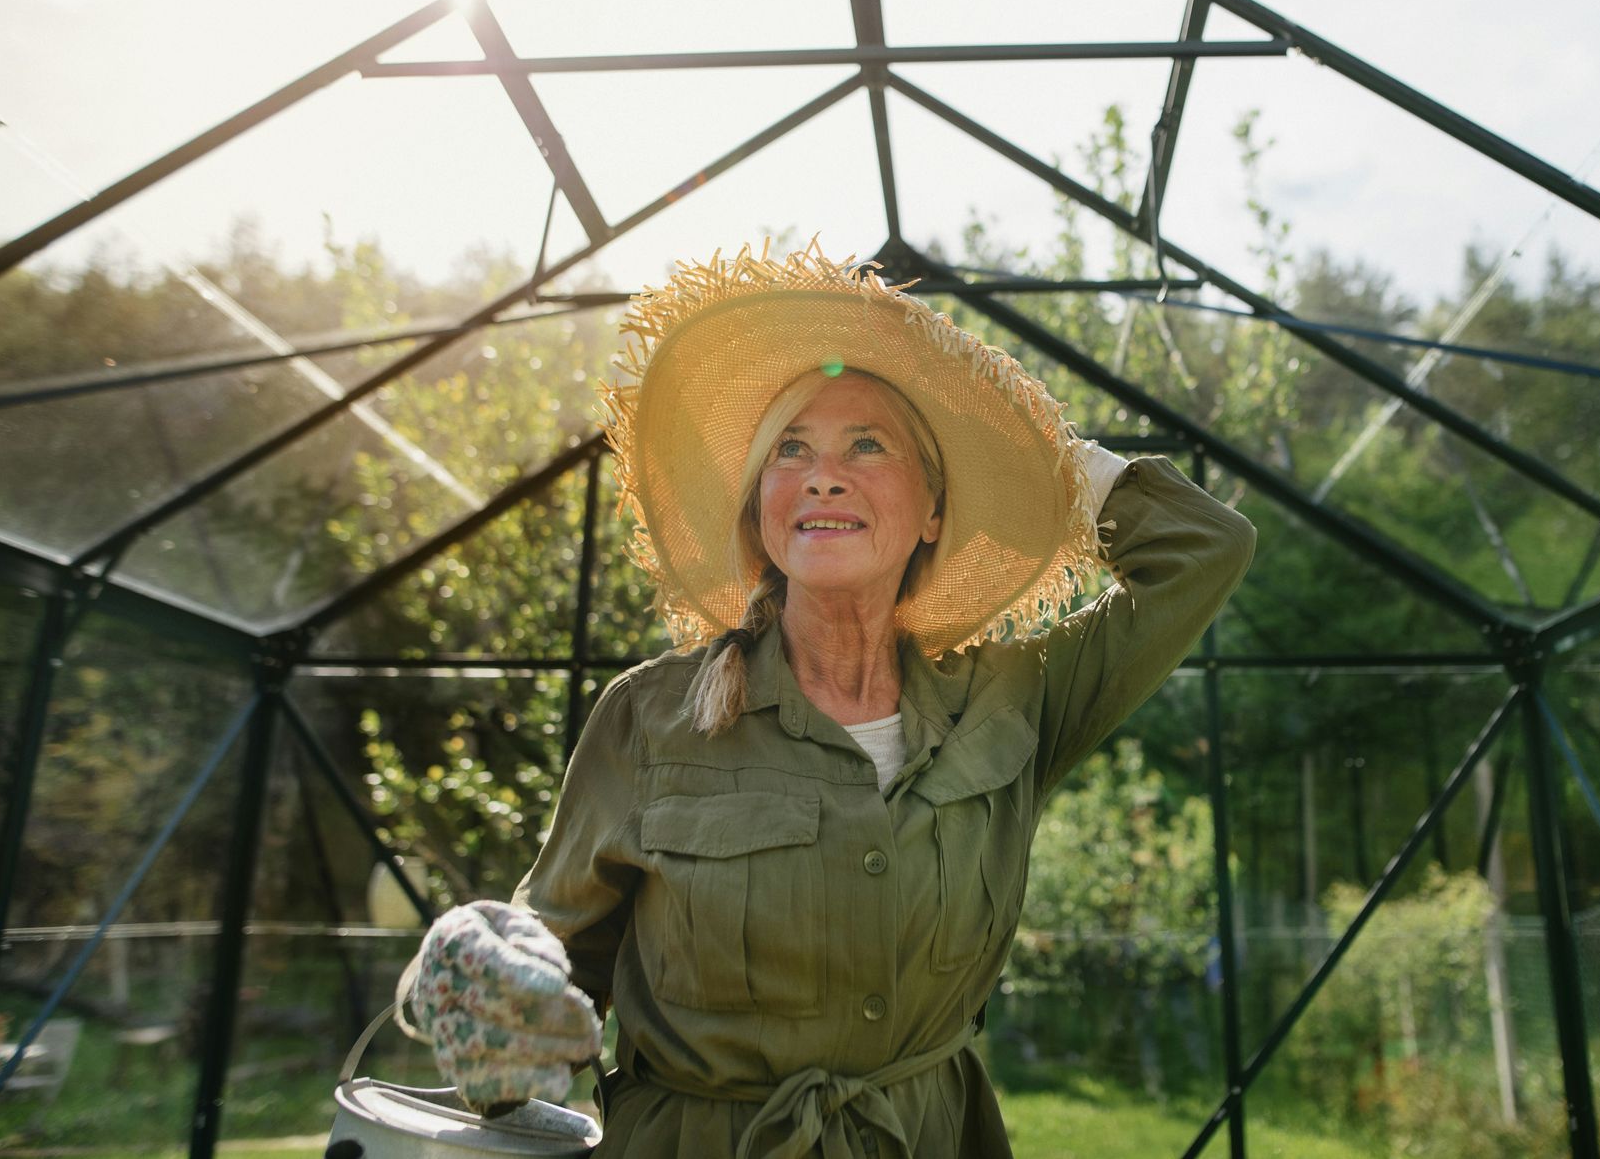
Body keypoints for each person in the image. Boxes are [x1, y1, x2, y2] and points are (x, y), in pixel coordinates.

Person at [395, 239, 1257, 1157]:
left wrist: (1038, 455)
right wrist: (481, 977)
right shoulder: (651, 718)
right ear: (761, 509)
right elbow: (553, 963)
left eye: (867, 446)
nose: (821, 472)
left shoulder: (1012, 698)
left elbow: (1202, 550)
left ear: (934, 510)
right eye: (790, 449)